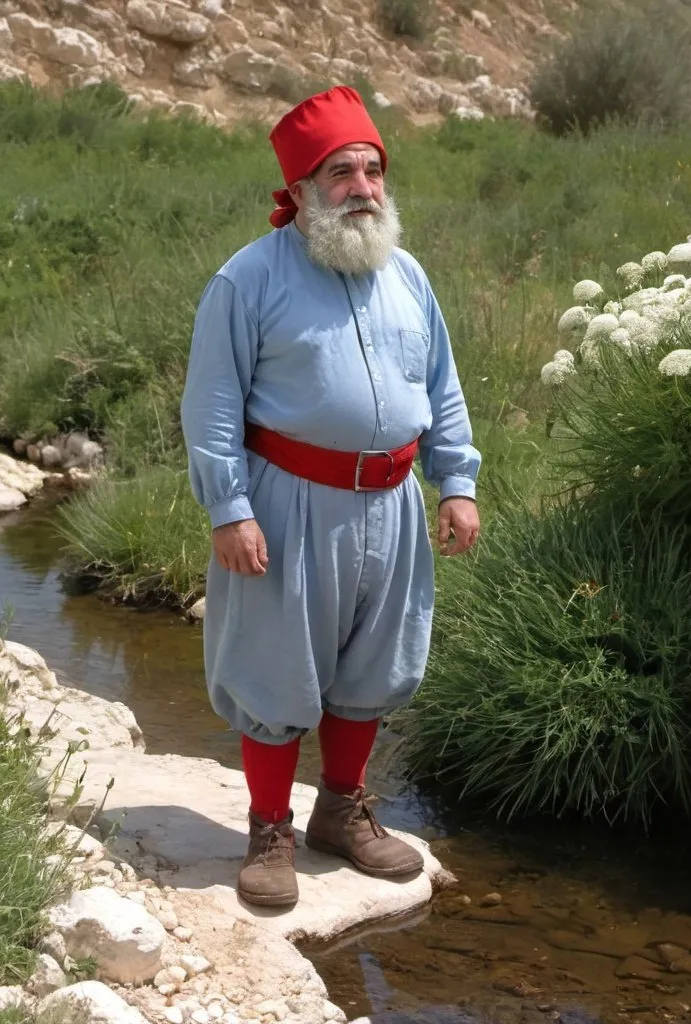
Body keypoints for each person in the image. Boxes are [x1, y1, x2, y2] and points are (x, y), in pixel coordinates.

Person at [180, 86, 481, 909]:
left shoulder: (408, 276)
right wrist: (228, 509)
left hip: (392, 506)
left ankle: (340, 813)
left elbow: (441, 388)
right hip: (287, 505)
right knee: (274, 670)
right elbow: (210, 407)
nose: (363, 186)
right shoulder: (246, 281)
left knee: (373, 667)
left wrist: (457, 482)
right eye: (341, 171)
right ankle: (269, 829)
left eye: (373, 169)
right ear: (303, 188)